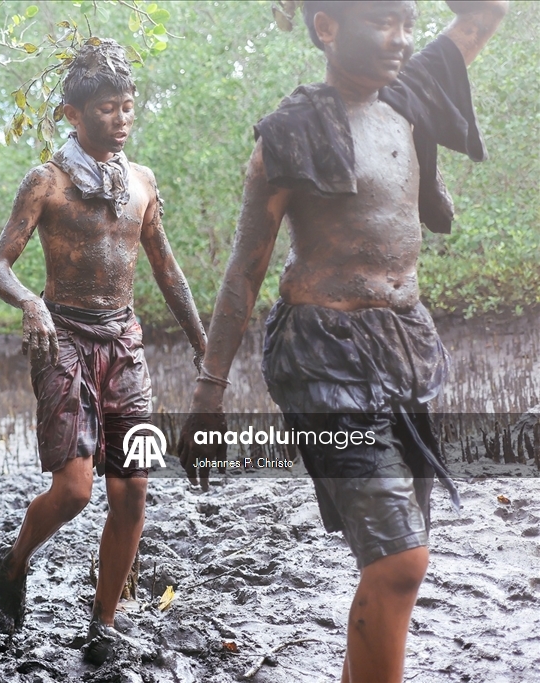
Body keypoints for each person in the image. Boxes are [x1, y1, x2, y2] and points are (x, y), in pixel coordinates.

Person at [179, 3, 507, 682]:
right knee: (399, 560)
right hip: (320, 354)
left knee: (398, 558)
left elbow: (486, 13)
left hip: (406, 344)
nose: (402, 37)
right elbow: (245, 271)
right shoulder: (289, 136)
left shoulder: (411, 96)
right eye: (383, 20)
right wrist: (209, 392)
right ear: (327, 27)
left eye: (409, 20)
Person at [0, 40, 207, 660]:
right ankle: (17, 557)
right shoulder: (46, 181)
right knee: (77, 490)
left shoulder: (142, 182)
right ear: (71, 115)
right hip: (64, 342)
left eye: (128, 106)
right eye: (107, 108)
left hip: (125, 344)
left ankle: (104, 619)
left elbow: (168, 270)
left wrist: (204, 347)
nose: (121, 118)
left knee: (133, 487)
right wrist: (29, 301)